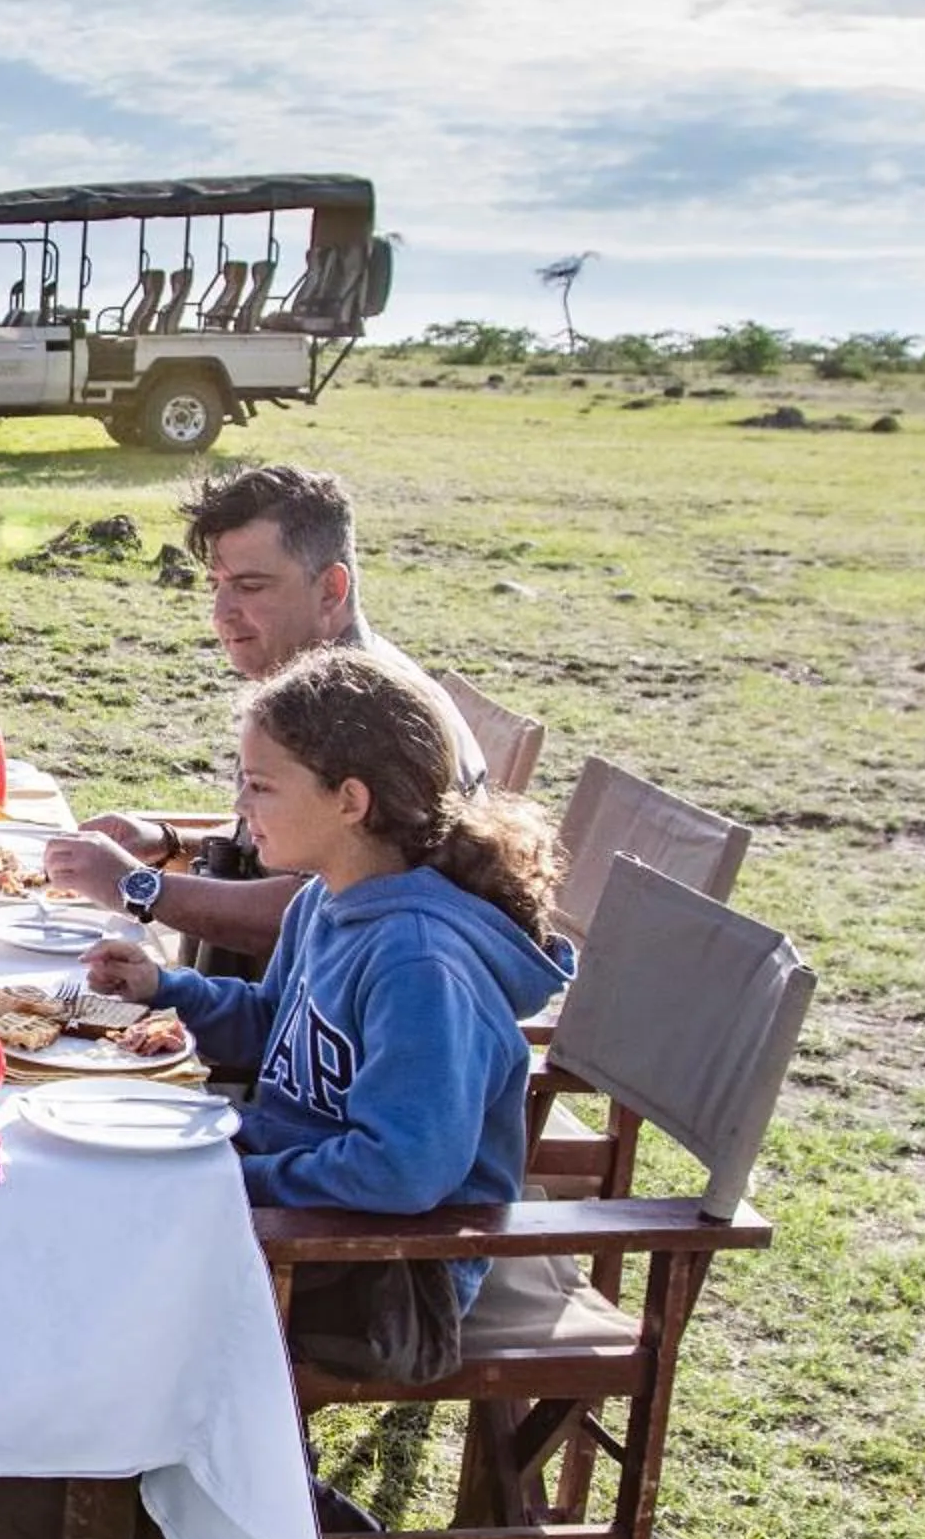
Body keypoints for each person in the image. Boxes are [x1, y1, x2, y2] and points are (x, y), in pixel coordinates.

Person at [81, 644, 569, 1384]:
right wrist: (167, 989)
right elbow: (275, 1022)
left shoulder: (419, 964)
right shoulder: (327, 896)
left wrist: (240, 1181)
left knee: (92, 1276)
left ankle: (152, 1477)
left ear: (350, 800)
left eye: (260, 787)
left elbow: (400, 1172)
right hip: (306, 1219)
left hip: (381, 1277)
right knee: (80, 1202)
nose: (241, 810)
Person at [45, 465, 487, 970]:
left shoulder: (366, 711)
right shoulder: (318, 684)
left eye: (250, 587)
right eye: (218, 584)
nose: (221, 613)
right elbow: (305, 848)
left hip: (298, 1032)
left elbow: (321, 910)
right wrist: (169, 844)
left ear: (330, 590)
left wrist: (138, 887)